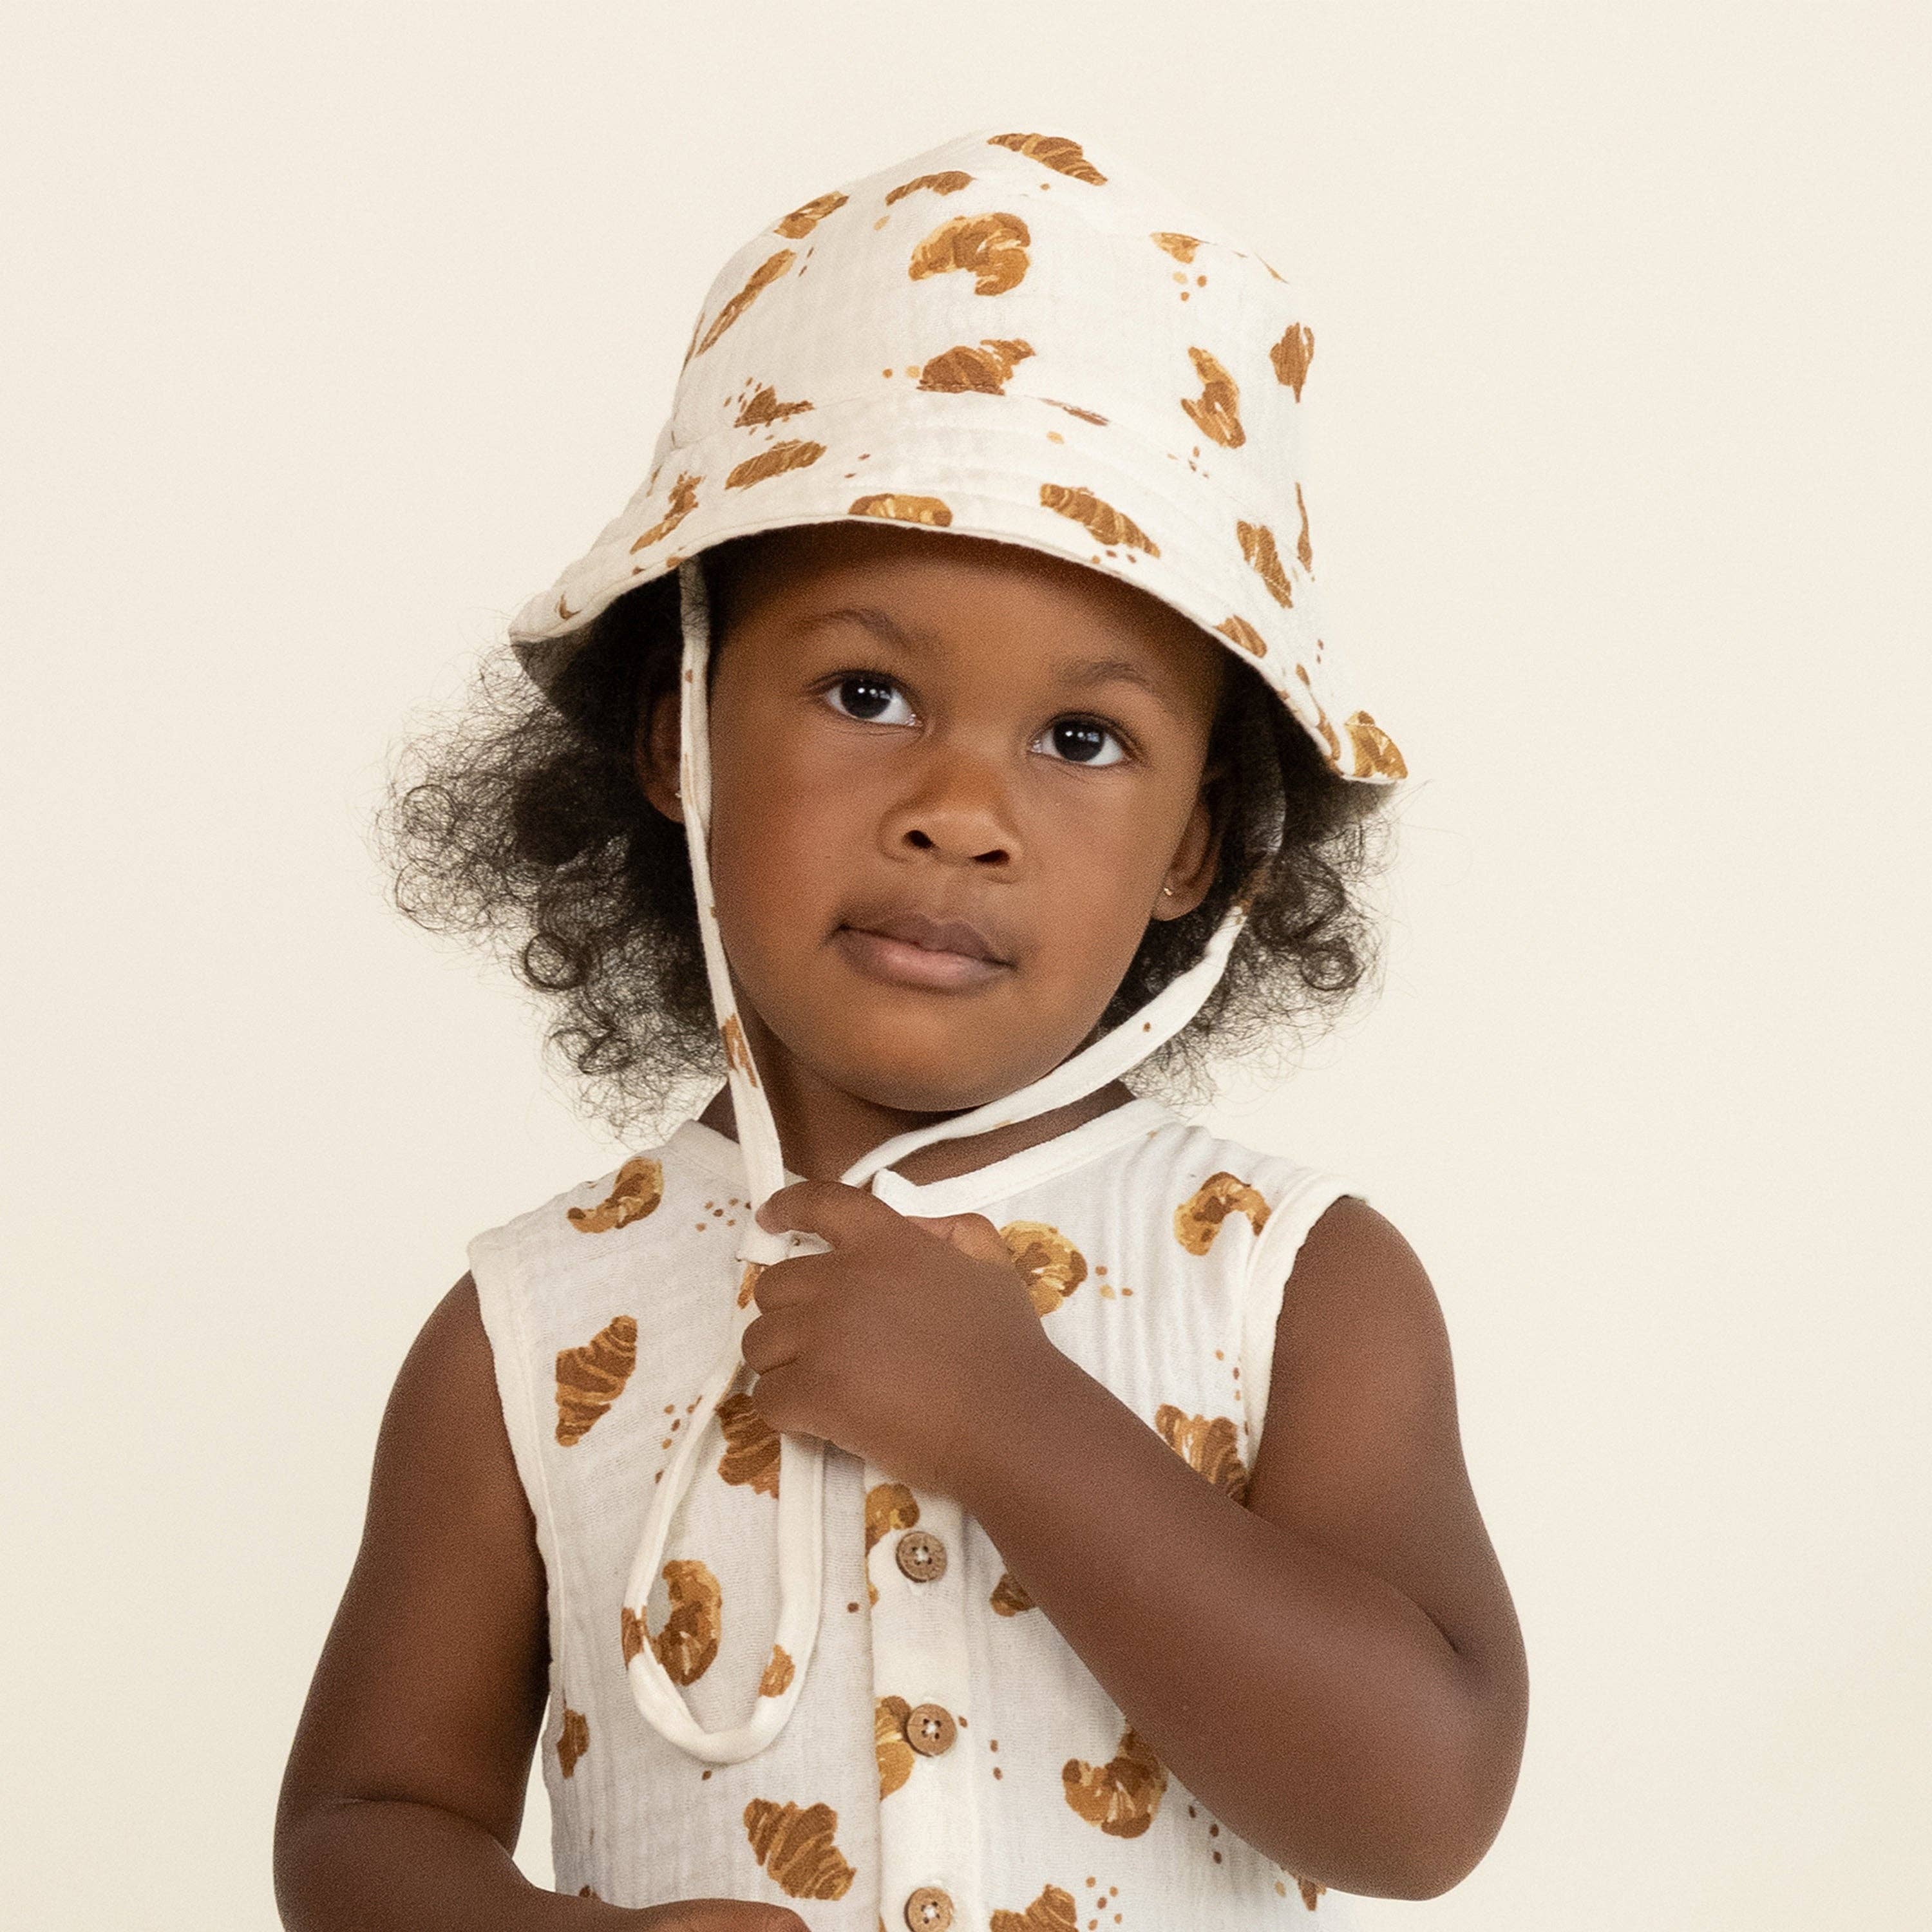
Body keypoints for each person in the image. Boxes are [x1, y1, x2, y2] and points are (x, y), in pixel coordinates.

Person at [275, 128, 1526, 1932]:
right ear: (679, 733)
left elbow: (1421, 1811)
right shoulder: (534, 1328)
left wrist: (1016, 1421)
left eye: (1082, 739)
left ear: (1200, 845)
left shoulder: (1290, 1284)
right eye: (868, 692)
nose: (960, 812)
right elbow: (362, 1821)